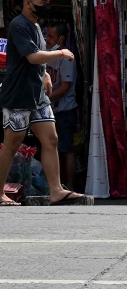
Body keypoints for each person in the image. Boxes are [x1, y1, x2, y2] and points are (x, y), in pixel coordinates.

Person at [0, 0, 90, 206]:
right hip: (19, 95)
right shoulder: (19, 25)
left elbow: (37, 57)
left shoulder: (37, 26)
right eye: (44, 1)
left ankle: (56, 190)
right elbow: (33, 56)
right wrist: (60, 54)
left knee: (51, 139)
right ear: (29, 3)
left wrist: (46, 74)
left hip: (38, 95)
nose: (48, 4)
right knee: (11, 145)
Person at [45, 22, 78, 190]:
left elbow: (65, 87)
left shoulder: (67, 58)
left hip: (65, 110)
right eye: (47, 35)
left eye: (51, 36)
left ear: (61, 39)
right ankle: (57, 185)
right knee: (52, 148)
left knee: (66, 148)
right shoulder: (49, 55)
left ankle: (70, 185)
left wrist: (45, 97)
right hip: (52, 109)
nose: (47, 39)